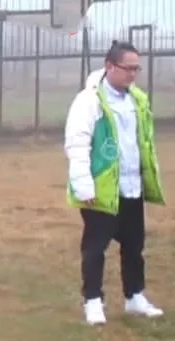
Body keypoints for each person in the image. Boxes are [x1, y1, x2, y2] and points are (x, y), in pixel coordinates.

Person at [64, 40, 166, 325]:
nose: (132, 74)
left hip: (132, 187)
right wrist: (84, 185)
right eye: (127, 68)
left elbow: (142, 142)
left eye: (137, 69)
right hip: (101, 190)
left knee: (134, 246)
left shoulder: (137, 99)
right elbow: (77, 143)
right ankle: (93, 301)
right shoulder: (89, 101)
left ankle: (135, 296)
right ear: (110, 66)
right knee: (96, 247)